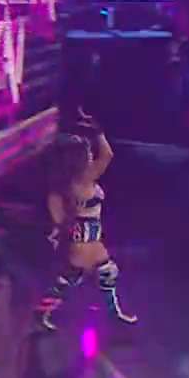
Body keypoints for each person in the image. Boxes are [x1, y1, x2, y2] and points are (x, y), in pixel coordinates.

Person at [38, 108, 137, 331]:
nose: (92, 156)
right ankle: (41, 313)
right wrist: (98, 131)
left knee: (100, 274)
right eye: (88, 154)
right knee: (71, 279)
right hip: (85, 243)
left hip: (87, 241)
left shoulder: (66, 183)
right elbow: (108, 155)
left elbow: (57, 215)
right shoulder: (84, 179)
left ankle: (113, 315)